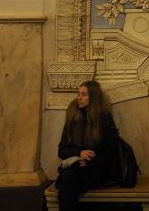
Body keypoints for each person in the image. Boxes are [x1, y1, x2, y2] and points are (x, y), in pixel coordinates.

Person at [56, 80, 118, 211]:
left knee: (67, 180)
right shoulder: (73, 118)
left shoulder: (104, 118)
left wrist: (90, 162)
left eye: (83, 94)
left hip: (97, 170)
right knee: (68, 179)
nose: (79, 97)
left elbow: (112, 151)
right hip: (75, 168)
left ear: (93, 97)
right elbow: (62, 150)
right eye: (78, 94)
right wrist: (79, 153)